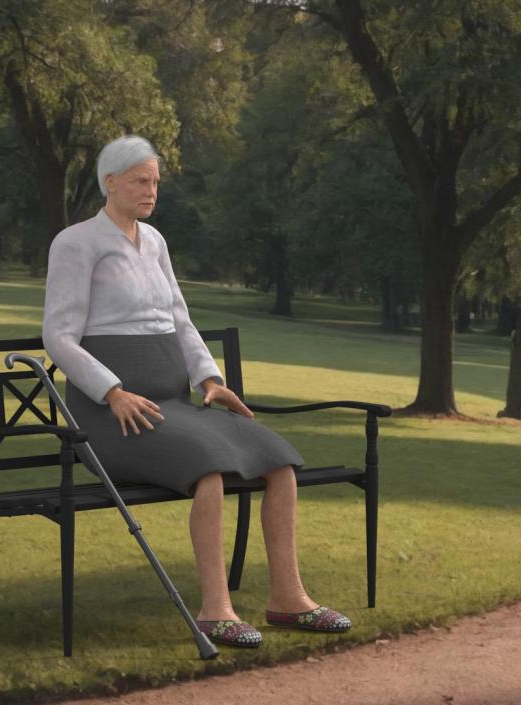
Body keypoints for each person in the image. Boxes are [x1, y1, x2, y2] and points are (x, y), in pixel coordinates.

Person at [42, 135, 352, 648]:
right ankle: (215, 611)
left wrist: (211, 380)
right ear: (110, 181)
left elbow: (181, 322)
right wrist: (113, 392)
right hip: (112, 418)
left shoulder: (156, 242)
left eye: (156, 181)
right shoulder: (76, 242)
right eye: (141, 180)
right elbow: (58, 337)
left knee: (279, 461)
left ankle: (288, 598)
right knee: (208, 471)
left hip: (171, 405)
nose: (150, 190)